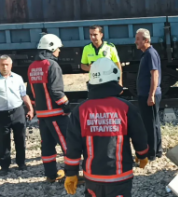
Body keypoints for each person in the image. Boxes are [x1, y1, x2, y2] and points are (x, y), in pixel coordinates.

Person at [64, 57, 149, 197]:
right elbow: (139, 135)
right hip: (120, 176)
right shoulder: (126, 108)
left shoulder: (80, 111)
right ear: (114, 78)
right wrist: (142, 154)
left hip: (93, 178)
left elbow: (73, 146)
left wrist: (71, 173)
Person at [26, 34, 83, 183]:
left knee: (47, 146)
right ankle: (73, 176)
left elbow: (30, 93)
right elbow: (56, 91)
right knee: (68, 144)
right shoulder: (52, 65)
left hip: (42, 115)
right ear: (51, 48)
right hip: (56, 114)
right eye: (58, 49)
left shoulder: (32, 66)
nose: (59, 52)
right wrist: (66, 106)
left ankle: (51, 175)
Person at [0, 55, 34, 176]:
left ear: (11, 65)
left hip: (17, 112)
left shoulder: (18, 78)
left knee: (20, 138)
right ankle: (4, 166)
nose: (4, 67)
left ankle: (21, 163)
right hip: (2, 114)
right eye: (2, 64)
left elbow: (24, 95)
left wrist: (30, 109)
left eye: (6, 64)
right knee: (3, 140)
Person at [135, 28, 163, 161]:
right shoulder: (148, 53)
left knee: (149, 124)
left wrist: (150, 95)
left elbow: (154, 74)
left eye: (138, 39)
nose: (136, 41)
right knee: (154, 123)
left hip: (148, 94)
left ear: (146, 40)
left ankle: (151, 153)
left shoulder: (150, 54)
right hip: (148, 93)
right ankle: (158, 150)